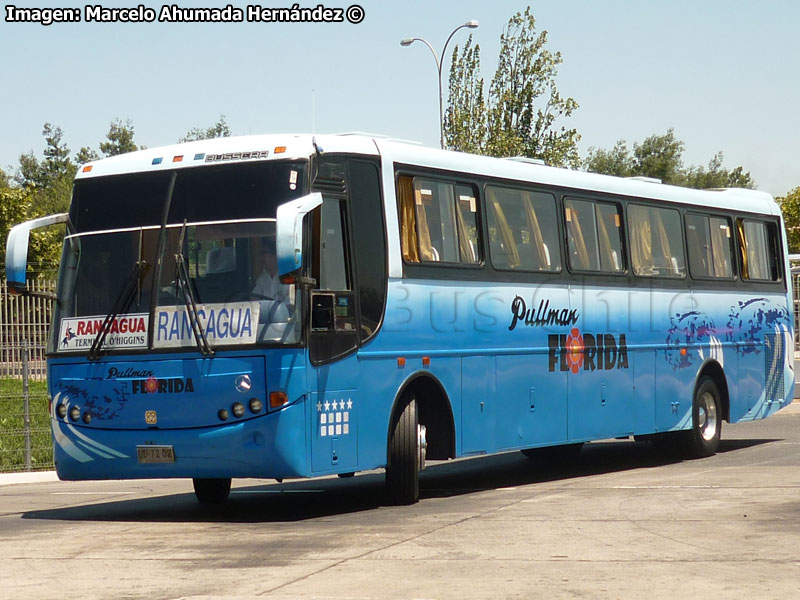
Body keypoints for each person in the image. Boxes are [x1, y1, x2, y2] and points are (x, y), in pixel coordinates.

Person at [252, 239, 292, 304]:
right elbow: (254, 299)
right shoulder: (262, 279)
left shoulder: (287, 277)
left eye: (265, 254)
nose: (262, 258)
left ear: (275, 256)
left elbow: (290, 304)